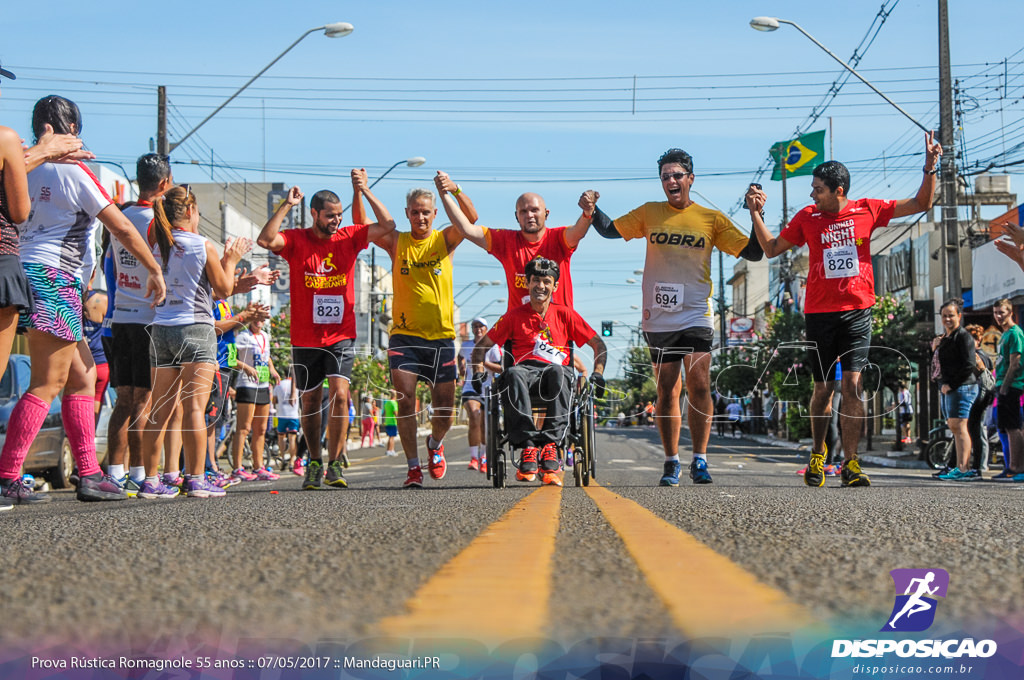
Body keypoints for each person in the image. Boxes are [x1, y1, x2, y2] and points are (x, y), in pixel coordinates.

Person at [746, 132, 942, 487]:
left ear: (838, 190)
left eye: (817, 188)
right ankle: (819, 455)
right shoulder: (807, 217)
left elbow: (920, 204)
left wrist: (930, 167)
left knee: (853, 386)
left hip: (857, 311)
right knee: (823, 390)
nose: (811, 194)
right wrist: (756, 214)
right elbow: (773, 248)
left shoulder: (868, 209)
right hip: (819, 314)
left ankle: (851, 463)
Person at [0, 95, 166, 504]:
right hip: (55, 278)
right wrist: (154, 269)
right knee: (47, 382)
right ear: (72, 130)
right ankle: (7, 473)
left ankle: (90, 473)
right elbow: (123, 228)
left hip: (23, 272)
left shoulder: (20, 162)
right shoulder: (76, 173)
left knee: (83, 375)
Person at [590, 148, 764, 486]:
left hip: (697, 311)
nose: (671, 180)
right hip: (660, 314)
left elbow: (754, 253)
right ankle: (671, 462)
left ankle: (699, 458)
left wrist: (757, 212)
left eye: (677, 175)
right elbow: (611, 230)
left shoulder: (711, 219)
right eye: (665, 176)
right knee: (667, 389)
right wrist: (592, 210)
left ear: (690, 179)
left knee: (698, 384)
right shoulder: (649, 212)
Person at [258, 180, 395, 490]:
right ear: (315, 214)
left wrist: (363, 191)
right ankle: (314, 462)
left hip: (341, 335)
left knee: (340, 394)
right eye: (330, 216)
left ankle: (335, 462)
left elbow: (388, 224)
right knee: (308, 402)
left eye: (339, 215)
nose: (337, 221)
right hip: (305, 337)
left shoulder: (349, 237)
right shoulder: (296, 241)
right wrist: (287, 205)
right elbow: (265, 239)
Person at [359, 174, 472, 488]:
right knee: (405, 399)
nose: (420, 217)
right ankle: (412, 468)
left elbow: (471, 219)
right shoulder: (398, 242)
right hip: (404, 337)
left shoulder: (444, 240)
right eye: (414, 211)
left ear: (434, 214)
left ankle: (435, 445)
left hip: (441, 338)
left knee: (445, 410)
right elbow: (363, 224)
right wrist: (364, 190)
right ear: (407, 213)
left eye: (426, 212)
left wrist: (453, 190)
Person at [141, 186, 247, 499]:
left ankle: (150, 480)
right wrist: (232, 259)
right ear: (190, 212)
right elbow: (224, 289)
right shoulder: (203, 246)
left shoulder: (158, 243)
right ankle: (196, 479)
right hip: (197, 330)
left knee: (158, 409)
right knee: (194, 410)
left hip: (161, 329)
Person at [470, 258, 606, 487]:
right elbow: (480, 348)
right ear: (527, 283)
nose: (540, 286)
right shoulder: (513, 316)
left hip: (555, 374)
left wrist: (598, 373)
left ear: (555, 286)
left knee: (558, 371)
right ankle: (529, 447)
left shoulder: (566, 315)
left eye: (546, 281)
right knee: (511, 373)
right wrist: (477, 371)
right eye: (535, 281)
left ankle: (551, 447)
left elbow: (598, 346)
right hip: (524, 373)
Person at [439, 172, 595, 312]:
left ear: (546, 214)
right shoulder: (505, 241)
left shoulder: (559, 238)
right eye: (524, 211)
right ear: (516, 216)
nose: (529, 215)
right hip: (520, 335)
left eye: (535, 210)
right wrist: (446, 193)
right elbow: (466, 229)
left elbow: (579, 231)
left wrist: (588, 212)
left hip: (558, 334)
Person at [931, 300, 979, 481]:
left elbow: (969, 364)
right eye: (944, 316)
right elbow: (939, 365)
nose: (947, 319)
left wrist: (952, 384)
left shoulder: (963, 336)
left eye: (951, 315)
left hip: (963, 387)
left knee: (960, 427)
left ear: (959, 316)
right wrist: (934, 348)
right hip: (949, 388)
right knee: (954, 427)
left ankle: (964, 468)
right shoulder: (946, 338)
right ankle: (959, 467)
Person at [231, 315, 281, 482]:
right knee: (244, 428)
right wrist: (246, 367)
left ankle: (258, 467)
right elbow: (231, 358)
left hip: (263, 386)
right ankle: (237, 468)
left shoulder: (266, 336)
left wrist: (273, 370)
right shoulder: (243, 336)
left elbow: (266, 357)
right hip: (247, 385)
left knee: (261, 429)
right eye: (255, 318)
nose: (258, 321)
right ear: (251, 319)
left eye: (261, 319)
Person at [991, 299, 1024, 482]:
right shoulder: (1003, 334)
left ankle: (1017, 467)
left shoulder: (1015, 333)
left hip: (1011, 386)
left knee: (1013, 428)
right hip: (1002, 384)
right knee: (1006, 427)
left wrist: (1004, 387)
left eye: (1002, 312)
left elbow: (1015, 362)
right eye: (996, 312)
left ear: (1010, 312)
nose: (998, 316)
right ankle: (1011, 466)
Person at [459, 318, 491, 471]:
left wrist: (483, 363)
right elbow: (460, 357)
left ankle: (483, 456)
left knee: (484, 422)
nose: (478, 329)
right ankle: (473, 458)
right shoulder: (466, 346)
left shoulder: (493, 347)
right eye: (475, 326)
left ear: (486, 329)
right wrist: (461, 368)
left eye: (481, 326)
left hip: (488, 388)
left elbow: (500, 366)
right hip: (470, 387)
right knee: (473, 414)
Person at [965, 324, 995, 474]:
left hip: (980, 399)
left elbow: (985, 381)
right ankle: (977, 464)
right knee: (975, 431)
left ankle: (981, 465)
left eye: (973, 339)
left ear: (979, 339)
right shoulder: (978, 356)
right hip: (977, 398)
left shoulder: (979, 356)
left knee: (979, 431)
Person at [82, 290, 109, 423]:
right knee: (97, 399)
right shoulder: (103, 301)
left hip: (79, 362)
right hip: (100, 363)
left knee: (74, 398)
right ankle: (89, 437)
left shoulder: (70, 297)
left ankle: (72, 439)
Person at [273, 368, 302, 474]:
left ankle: (282, 457)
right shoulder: (297, 385)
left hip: (281, 414)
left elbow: (274, 400)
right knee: (292, 438)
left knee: (281, 437)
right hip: (293, 415)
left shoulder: (279, 384)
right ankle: (292, 460)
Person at [382, 390, 398, 457]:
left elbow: (384, 413)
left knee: (389, 436)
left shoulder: (387, 403)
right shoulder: (394, 403)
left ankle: (388, 449)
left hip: (387, 421)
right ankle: (391, 450)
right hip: (392, 422)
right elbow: (395, 413)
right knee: (392, 437)